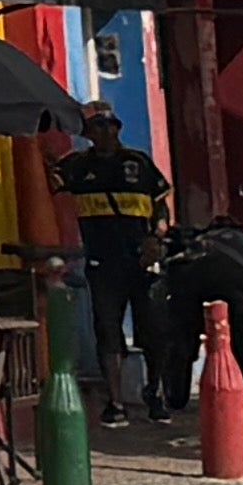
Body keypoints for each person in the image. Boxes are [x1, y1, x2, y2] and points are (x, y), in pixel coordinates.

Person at [55, 108, 173, 416]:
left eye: (110, 126)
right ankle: (116, 401)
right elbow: (48, 179)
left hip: (141, 260)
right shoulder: (77, 166)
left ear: (118, 128)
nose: (105, 132)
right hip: (102, 261)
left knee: (153, 331)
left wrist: (156, 239)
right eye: (97, 127)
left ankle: (154, 391)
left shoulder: (139, 163)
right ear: (88, 133)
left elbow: (161, 207)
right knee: (108, 331)